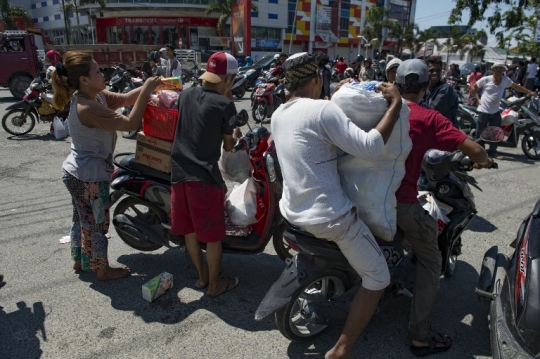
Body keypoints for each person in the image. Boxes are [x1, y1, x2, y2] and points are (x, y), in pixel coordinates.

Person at [271, 52, 402, 359]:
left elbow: (311, 121)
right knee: (378, 277)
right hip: (329, 218)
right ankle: (341, 351)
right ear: (316, 78)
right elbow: (371, 147)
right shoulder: (323, 110)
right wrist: (395, 104)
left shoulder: (279, 114)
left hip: (292, 213)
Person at [394, 59, 494, 357]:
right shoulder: (429, 117)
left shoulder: (376, 107)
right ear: (426, 86)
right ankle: (421, 338)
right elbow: (474, 149)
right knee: (430, 260)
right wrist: (485, 160)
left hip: (361, 199)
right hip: (401, 203)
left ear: (397, 82)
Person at [52, 51, 161, 280]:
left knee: (81, 218)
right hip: (89, 176)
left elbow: (124, 99)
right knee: (98, 224)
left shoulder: (95, 96)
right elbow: (130, 122)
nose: (103, 74)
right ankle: (102, 269)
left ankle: (79, 260)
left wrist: (154, 86)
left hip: (75, 172)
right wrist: (148, 90)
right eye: (98, 71)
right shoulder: (88, 107)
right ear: (84, 79)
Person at [170, 52, 242, 298]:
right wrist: (236, 132)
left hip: (178, 174)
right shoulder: (225, 105)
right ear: (228, 79)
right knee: (212, 237)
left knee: (190, 231)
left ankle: (201, 277)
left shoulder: (186, 94)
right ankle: (214, 285)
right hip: (204, 179)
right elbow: (229, 146)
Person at [471, 60, 537, 158]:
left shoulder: (505, 80)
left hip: (495, 111)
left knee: (496, 132)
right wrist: (478, 99)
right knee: (480, 132)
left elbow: (515, 86)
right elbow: (474, 87)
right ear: (493, 69)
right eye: (496, 68)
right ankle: (480, 152)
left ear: (503, 70)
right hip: (483, 110)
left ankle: (493, 152)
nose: (498, 69)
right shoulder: (486, 79)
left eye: (501, 68)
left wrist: (529, 92)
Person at [420, 56, 459, 127]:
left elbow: (434, 111)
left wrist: (415, 99)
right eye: (431, 70)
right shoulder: (425, 88)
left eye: (438, 70)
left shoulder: (446, 89)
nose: (435, 73)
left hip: (446, 133)